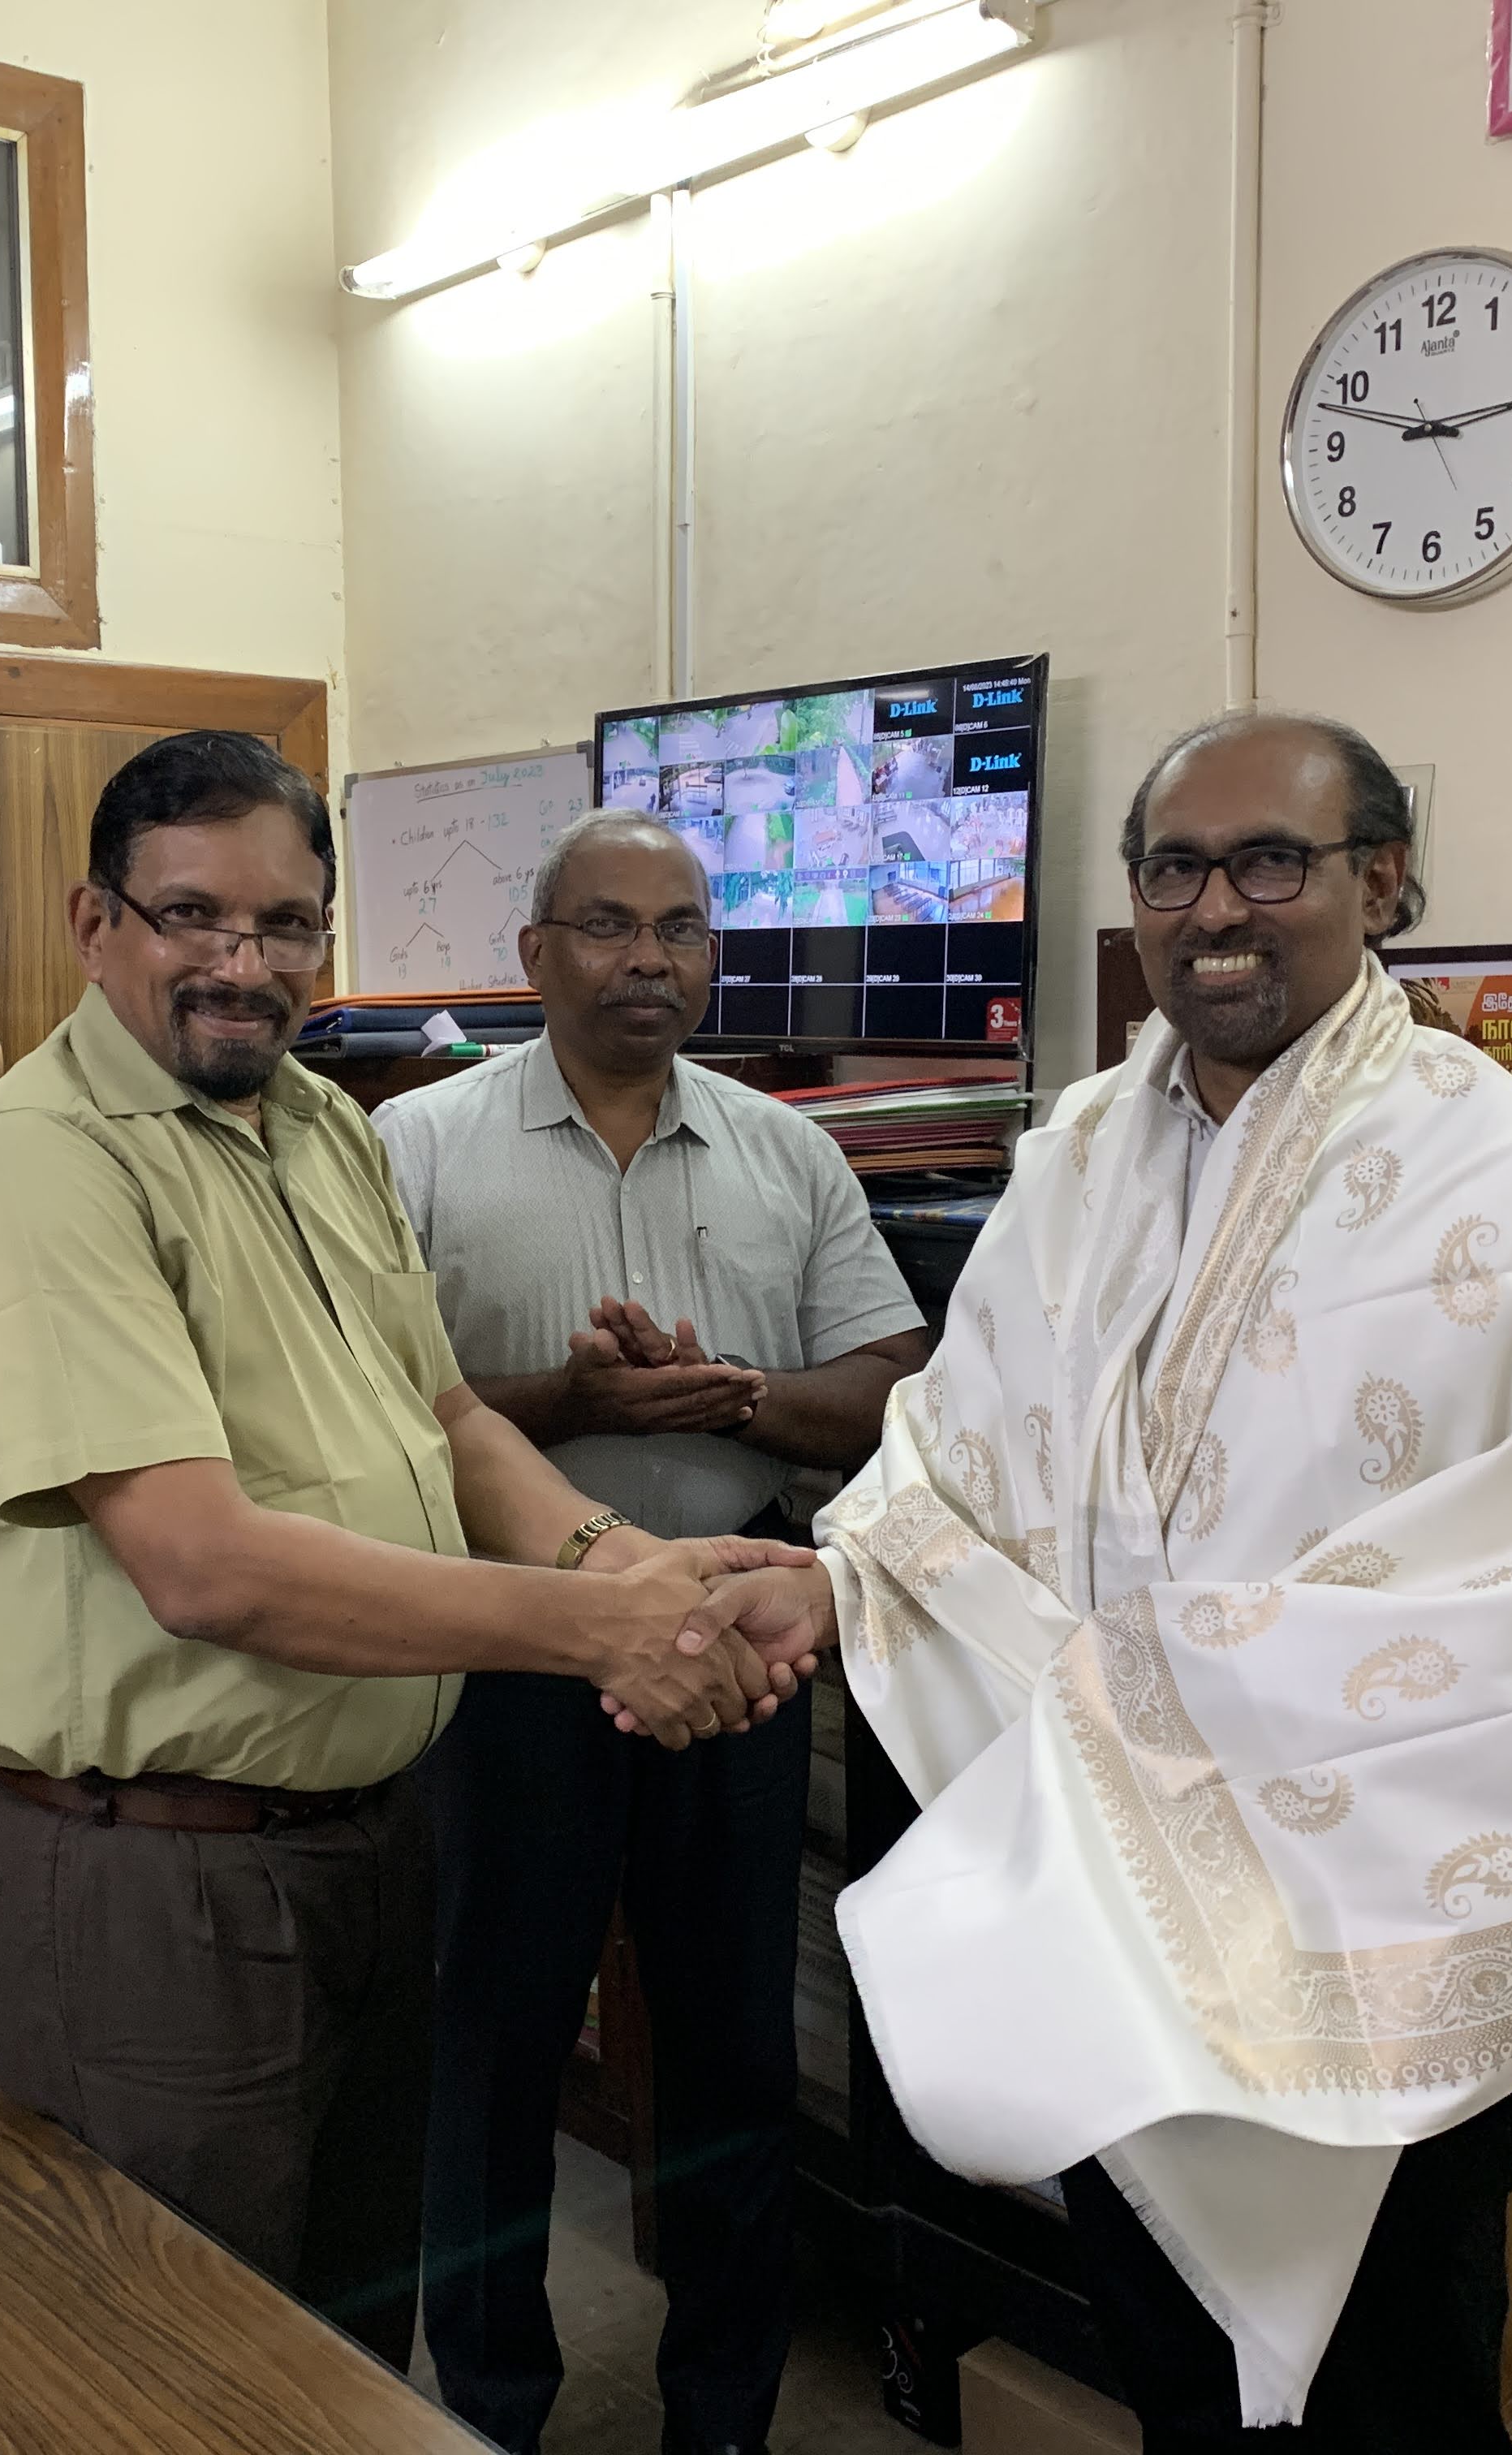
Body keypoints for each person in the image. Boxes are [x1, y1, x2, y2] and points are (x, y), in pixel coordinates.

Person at [686, 712, 1512, 2451]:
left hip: (1383, 1911)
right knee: (1168, 2351)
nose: (1216, 910)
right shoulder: (1081, 1150)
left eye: (1270, 862)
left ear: (1383, 882)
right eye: (1173, 869)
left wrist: (1156, 1687)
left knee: (1393, 2382)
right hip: (1115, 1893)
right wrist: (839, 1580)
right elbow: (961, 1448)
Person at [0, 733, 805, 2371]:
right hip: (160, 1886)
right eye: (193, 915)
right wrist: (595, 1632)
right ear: (97, 923)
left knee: (350, 2360)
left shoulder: (319, 1127)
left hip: (371, 1848)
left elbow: (442, 1418)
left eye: (286, 925)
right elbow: (204, 1567)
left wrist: (625, 1566)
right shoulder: (44, 1164)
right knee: (179, 2383)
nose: (243, 966)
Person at [373, 814, 929, 2455]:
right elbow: (378, 1406)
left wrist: (740, 1396)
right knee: (495, 2045)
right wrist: (575, 1401)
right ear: (536, 954)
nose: (648, 959)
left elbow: (895, 1389)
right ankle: (492, 2407)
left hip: (737, 1639)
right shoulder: (414, 1145)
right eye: (609, 925)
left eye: (681, 929)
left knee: (732, 2049)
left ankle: (724, 2414)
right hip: (514, 1648)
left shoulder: (786, 1151)